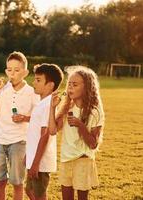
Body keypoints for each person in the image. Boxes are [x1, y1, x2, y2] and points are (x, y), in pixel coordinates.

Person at [0, 51, 40, 200]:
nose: (12, 73)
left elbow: (37, 118)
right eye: (9, 70)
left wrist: (24, 117)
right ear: (6, 71)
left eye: (17, 70)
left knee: (17, 182)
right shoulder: (2, 89)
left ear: (25, 72)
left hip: (19, 141)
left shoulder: (31, 92)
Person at [48, 66, 105, 200]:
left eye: (75, 85)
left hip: (83, 160)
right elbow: (52, 130)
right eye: (69, 84)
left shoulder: (95, 111)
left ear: (87, 87)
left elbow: (93, 144)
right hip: (66, 159)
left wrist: (80, 125)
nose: (70, 88)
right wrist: (52, 108)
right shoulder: (67, 107)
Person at [25, 63, 64, 200]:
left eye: (38, 80)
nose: (33, 82)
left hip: (41, 162)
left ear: (50, 85)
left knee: (38, 194)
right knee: (29, 190)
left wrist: (35, 163)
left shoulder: (48, 105)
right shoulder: (41, 103)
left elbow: (45, 135)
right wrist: (28, 157)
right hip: (34, 159)